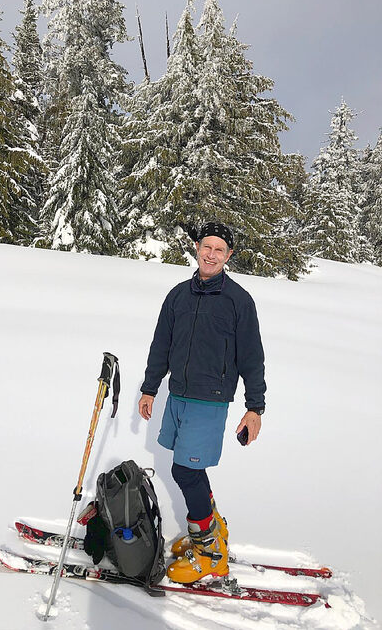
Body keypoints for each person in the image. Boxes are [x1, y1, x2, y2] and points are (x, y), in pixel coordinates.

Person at [137, 222, 265, 584]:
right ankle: (212, 527)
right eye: (206, 246)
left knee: (186, 471)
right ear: (197, 247)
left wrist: (255, 407)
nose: (211, 254)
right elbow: (161, 344)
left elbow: (252, 358)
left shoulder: (238, 301)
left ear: (229, 256)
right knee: (187, 469)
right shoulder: (178, 295)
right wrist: (150, 387)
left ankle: (210, 553)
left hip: (209, 401)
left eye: (219, 250)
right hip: (177, 394)